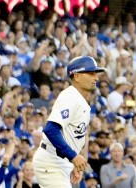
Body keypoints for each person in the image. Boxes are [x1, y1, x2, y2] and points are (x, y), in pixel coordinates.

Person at [33, 56, 105, 187]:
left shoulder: (80, 100)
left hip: (60, 162)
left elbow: (72, 136)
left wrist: (72, 162)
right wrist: (73, 156)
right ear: (77, 76)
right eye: (91, 73)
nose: (96, 78)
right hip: (51, 161)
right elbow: (51, 129)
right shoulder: (70, 97)